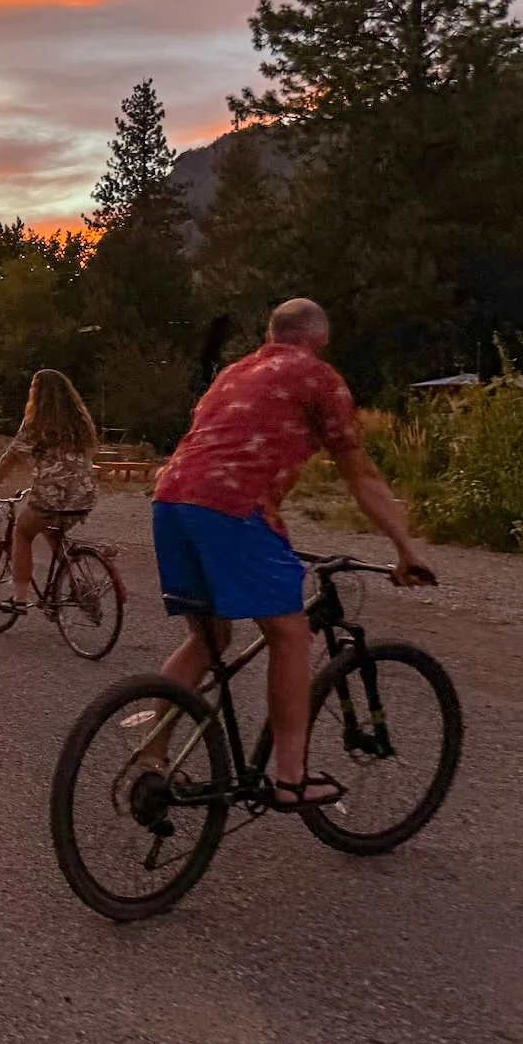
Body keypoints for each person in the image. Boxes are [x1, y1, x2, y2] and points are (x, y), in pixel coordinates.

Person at [146, 298, 434, 809]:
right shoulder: (318, 377)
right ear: (318, 340)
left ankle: (151, 757)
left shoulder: (234, 372)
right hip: (232, 506)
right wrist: (406, 548)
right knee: (290, 632)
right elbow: (361, 474)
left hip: (170, 500)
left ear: (272, 333)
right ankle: (291, 779)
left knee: (210, 634)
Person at [0, 368, 99, 617]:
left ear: (38, 393)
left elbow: (12, 456)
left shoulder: (37, 422)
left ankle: (19, 600)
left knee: (22, 533)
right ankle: (72, 589)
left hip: (52, 495)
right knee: (52, 532)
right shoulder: (80, 420)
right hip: (84, 494)